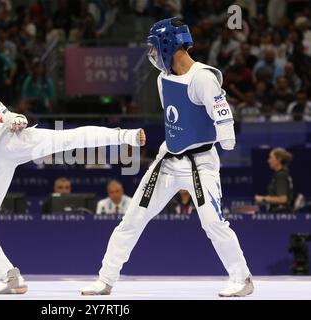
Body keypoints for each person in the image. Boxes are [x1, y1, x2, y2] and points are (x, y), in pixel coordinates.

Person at [0, 36, 145, 295]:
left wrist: (14, 117)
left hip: (7, 140)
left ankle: (124, 136)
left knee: (66, 139)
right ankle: (11, 278)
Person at [80, 17, 254, 298]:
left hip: (200, 162)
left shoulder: (203, 78)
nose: (151, 53)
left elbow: (222, 115)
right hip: (168, 159)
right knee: (132, 219)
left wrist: (226, 136)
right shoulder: (163, 78)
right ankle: (105, 280)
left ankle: (242, 278)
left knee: (213, 222)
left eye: (154, 47)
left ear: (167, 46)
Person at [255, 148, 294, 213]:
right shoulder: (281, 174)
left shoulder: (281, 176)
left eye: (271, 158)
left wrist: (262, 199)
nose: (268, 161)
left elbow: (283, 199)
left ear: (278, 159)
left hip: (281, 214)